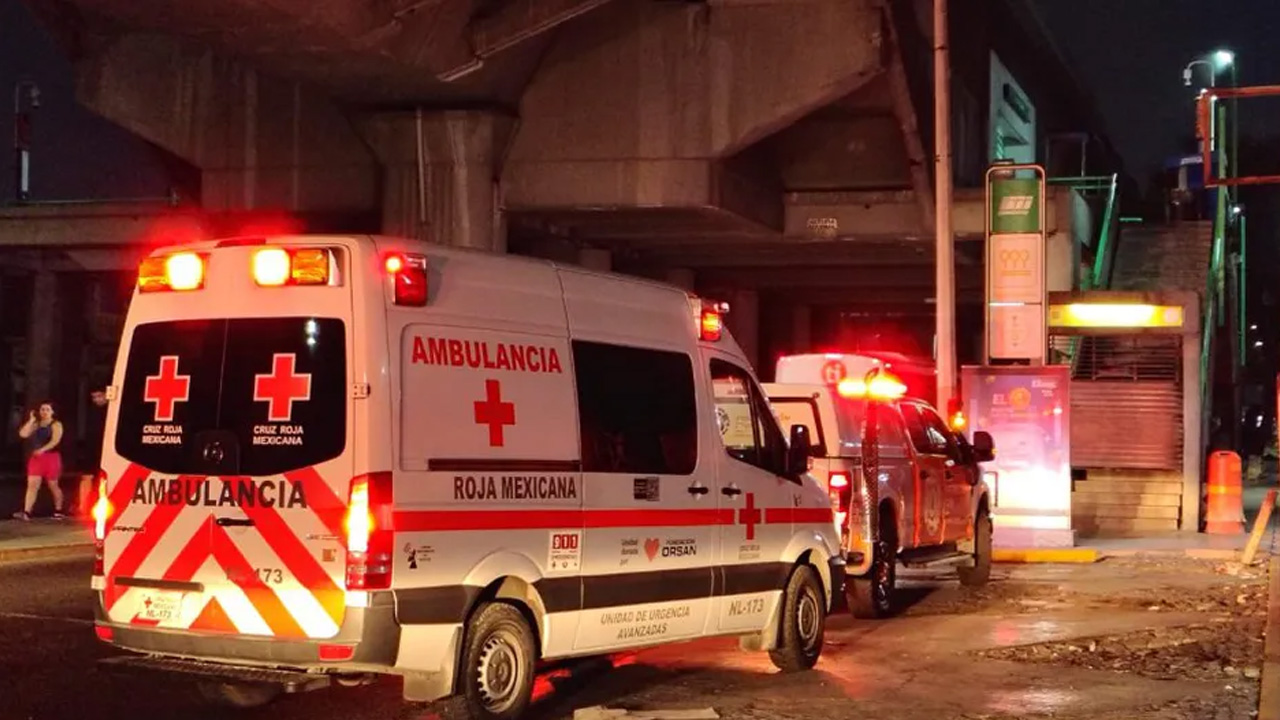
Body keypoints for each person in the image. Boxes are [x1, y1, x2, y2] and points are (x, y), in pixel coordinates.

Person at [14, 401, 66, 520]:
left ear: (52, 412)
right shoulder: (36, 424)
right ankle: (27, 512)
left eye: (47, 409)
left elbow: (55, 440)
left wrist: (42, 449)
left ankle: (58, 510)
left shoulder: (56, 424)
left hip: (51, 457)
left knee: (53, 484)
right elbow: (23, 434)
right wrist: (31, 420)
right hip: (37, 458)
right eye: (42, 409)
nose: (44, 412)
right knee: (32, 484)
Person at [76, 388, 108, 517]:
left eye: (100, 396)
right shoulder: (91, 412)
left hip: (106, 448)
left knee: (104, 479)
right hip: (91, 448)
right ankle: (83, 507)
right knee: (86, 477)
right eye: (94, 397)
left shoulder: (112, 411)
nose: (97, 400)